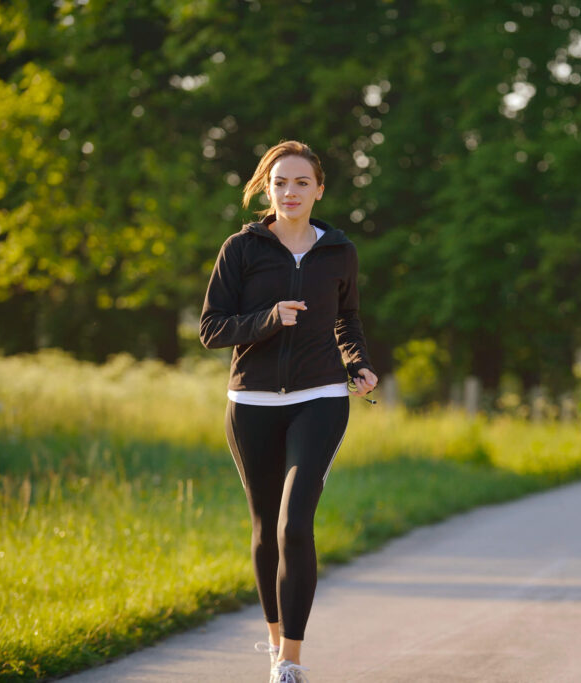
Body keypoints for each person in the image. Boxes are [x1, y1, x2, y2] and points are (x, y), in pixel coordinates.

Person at [200, 140, 378, 683]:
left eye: (302, 182)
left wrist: (358, 364)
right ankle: (275, 644)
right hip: (250, 401)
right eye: (280, 182)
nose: (291, 192)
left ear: (319, 189)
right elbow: (211, 329)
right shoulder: (242, 250)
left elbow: (345, 319)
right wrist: (269, 318)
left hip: (320, 399)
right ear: (266, 189)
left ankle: (291, 664)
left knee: (295, 524)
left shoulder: (339, 251)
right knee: (264, 529)